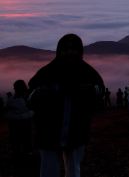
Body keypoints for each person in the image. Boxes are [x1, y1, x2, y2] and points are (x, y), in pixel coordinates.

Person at [28, 33, 105, 177]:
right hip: (49, 131)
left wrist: (89, 92)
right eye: (66, 49)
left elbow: (99, 90)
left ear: (80, 51)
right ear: (59, 50)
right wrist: (41, 95)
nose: (70, 52)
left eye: (74, 49)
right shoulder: (46, 73)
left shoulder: (87, 73)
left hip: (75, 129)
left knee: (73, 169)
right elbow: (31, 95)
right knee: (50, 170)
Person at [5, 80, 34, 159]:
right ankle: (21, 154)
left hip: (21, 123)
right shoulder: (26, 98)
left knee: (23, 140)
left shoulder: (27, 98)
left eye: (15, 87)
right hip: (19, 123)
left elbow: (7, 111)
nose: (14, 89)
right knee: (19, 141)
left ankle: (24, 154)